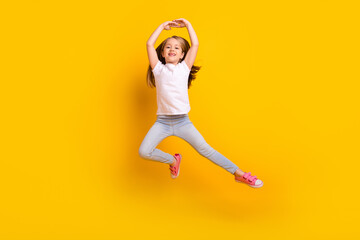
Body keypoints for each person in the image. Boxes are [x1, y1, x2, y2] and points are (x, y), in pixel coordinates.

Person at [138, 18, 263, 188]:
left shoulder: (184, 68)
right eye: (168, 47)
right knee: (144, 152)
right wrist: (161, 27)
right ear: (162, 53)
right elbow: (149, 44)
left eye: (177, 48)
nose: (172, 49)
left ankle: (239, 174)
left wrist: (188, 25)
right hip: (162, 123)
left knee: (206, 150)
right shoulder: (158, 69)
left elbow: (195, 45)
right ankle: (173, 160)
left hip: (183, 122)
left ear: (183, 55)